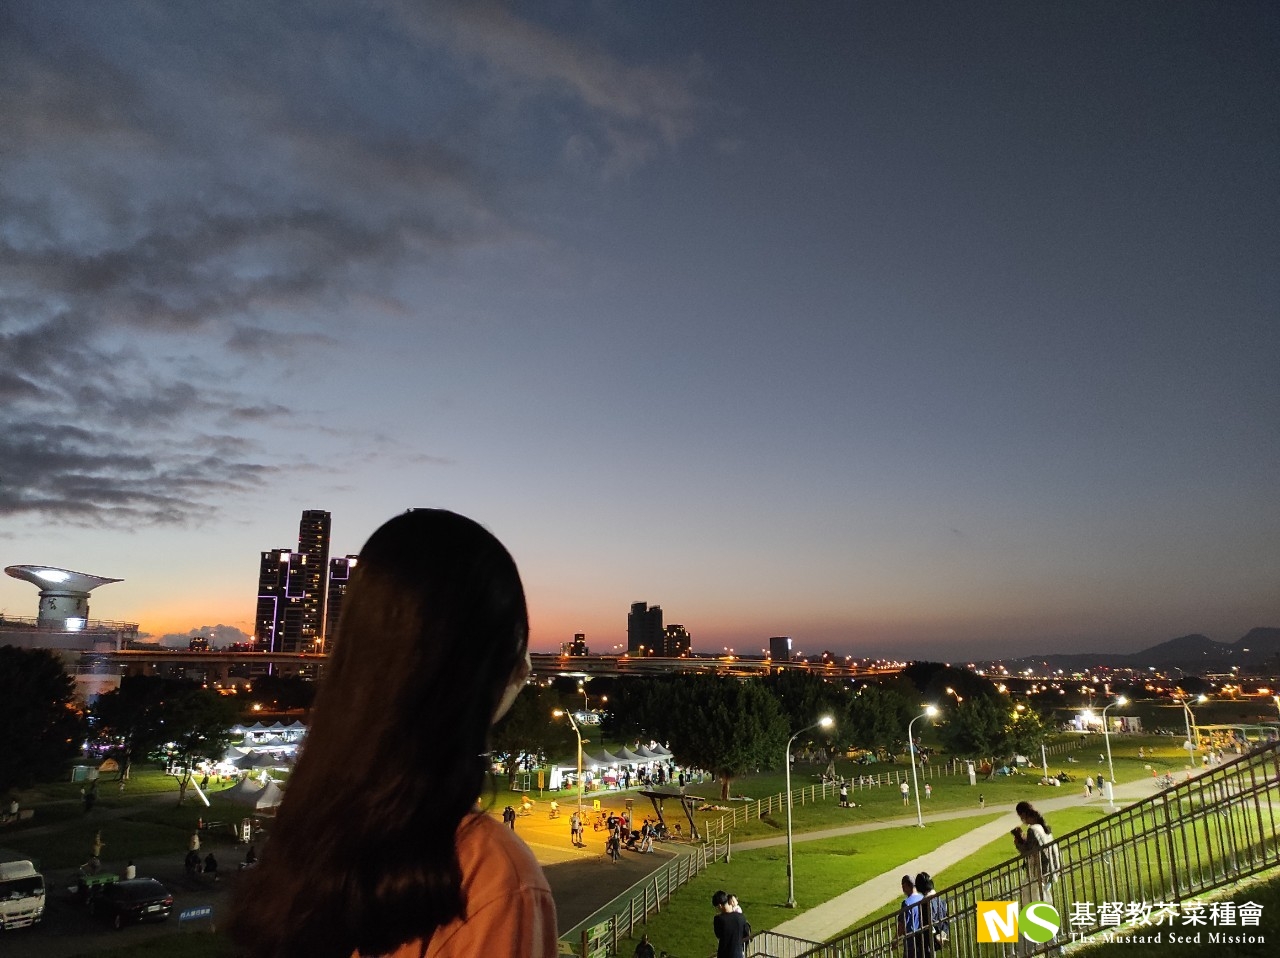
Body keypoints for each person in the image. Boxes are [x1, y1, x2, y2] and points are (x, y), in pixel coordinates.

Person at [229, 509, 557, 958]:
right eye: (519, 643)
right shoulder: (491, 877)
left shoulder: (310, 827)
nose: (527, 667)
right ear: (482, 664)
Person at [914, 872, 949, 957]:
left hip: (928, 941)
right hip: (940, 930)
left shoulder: (925, 902)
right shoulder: (940, 900)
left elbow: (927, 922)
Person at [711, 889, 749, 958]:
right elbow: (745, 933)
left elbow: (718, 935)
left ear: (720, 905)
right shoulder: (741, 917)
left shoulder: (718, 919)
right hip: (738, 954)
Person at [897, 874, 924, 958]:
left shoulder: (906, 903)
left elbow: (902, 925)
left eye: (903, 886)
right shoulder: (922, 897)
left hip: (911, 943)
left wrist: (895, 940)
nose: (903, 889)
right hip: (923, 939)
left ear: (907, 885)